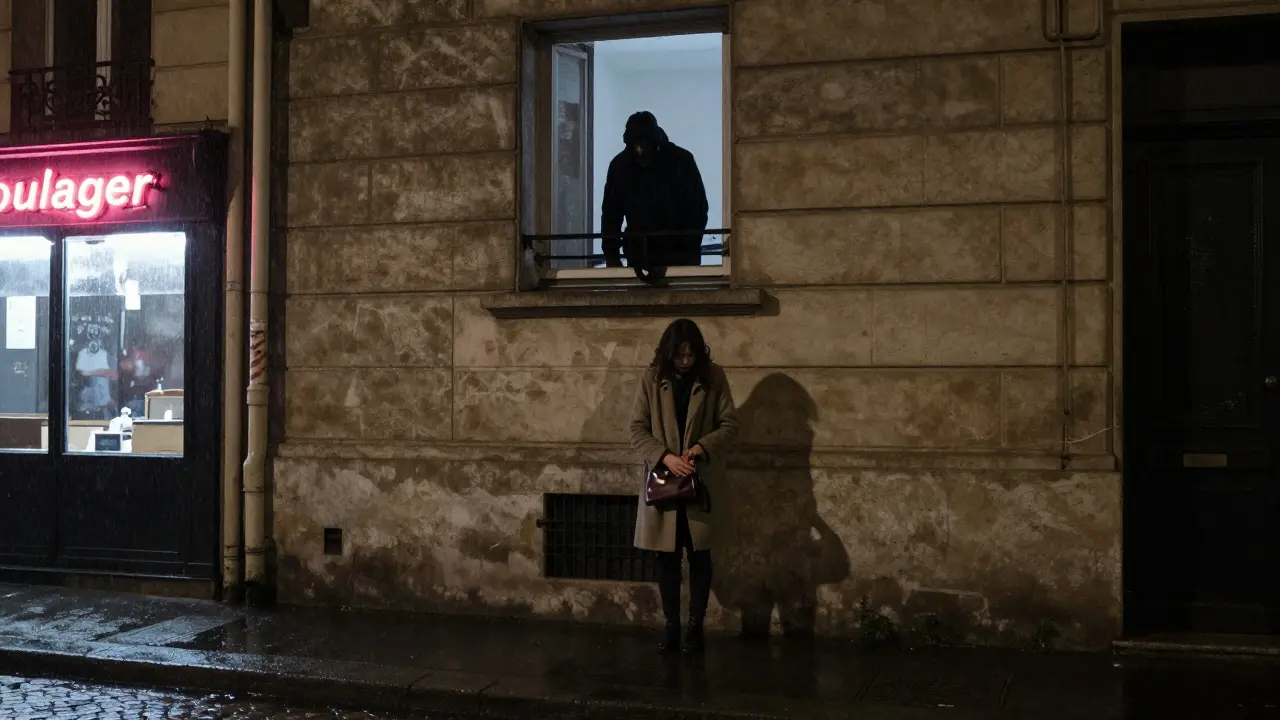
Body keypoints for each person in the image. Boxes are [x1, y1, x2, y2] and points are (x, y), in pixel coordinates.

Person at [629, 319, 739, 654]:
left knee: (700, 556)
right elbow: (636, 429)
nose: (686, 360)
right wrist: (664, 457)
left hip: (699, 482)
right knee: (666, 557)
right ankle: (671, 626)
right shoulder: (651, 379)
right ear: (669, 352)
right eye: (680, 355)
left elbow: (730, 424)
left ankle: (695, 628)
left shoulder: (713, 377)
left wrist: (701, 448)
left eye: (691, 354)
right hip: (665, 483)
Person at [601, 111, 709, 283]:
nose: (640, 150)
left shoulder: (680, 161)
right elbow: (610, 215)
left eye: (643, 144)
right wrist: (611, 255)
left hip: (675, 255)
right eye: (636, 144)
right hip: (645, 256)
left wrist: (688, 248)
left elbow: (697, 210)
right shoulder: (620, 167)